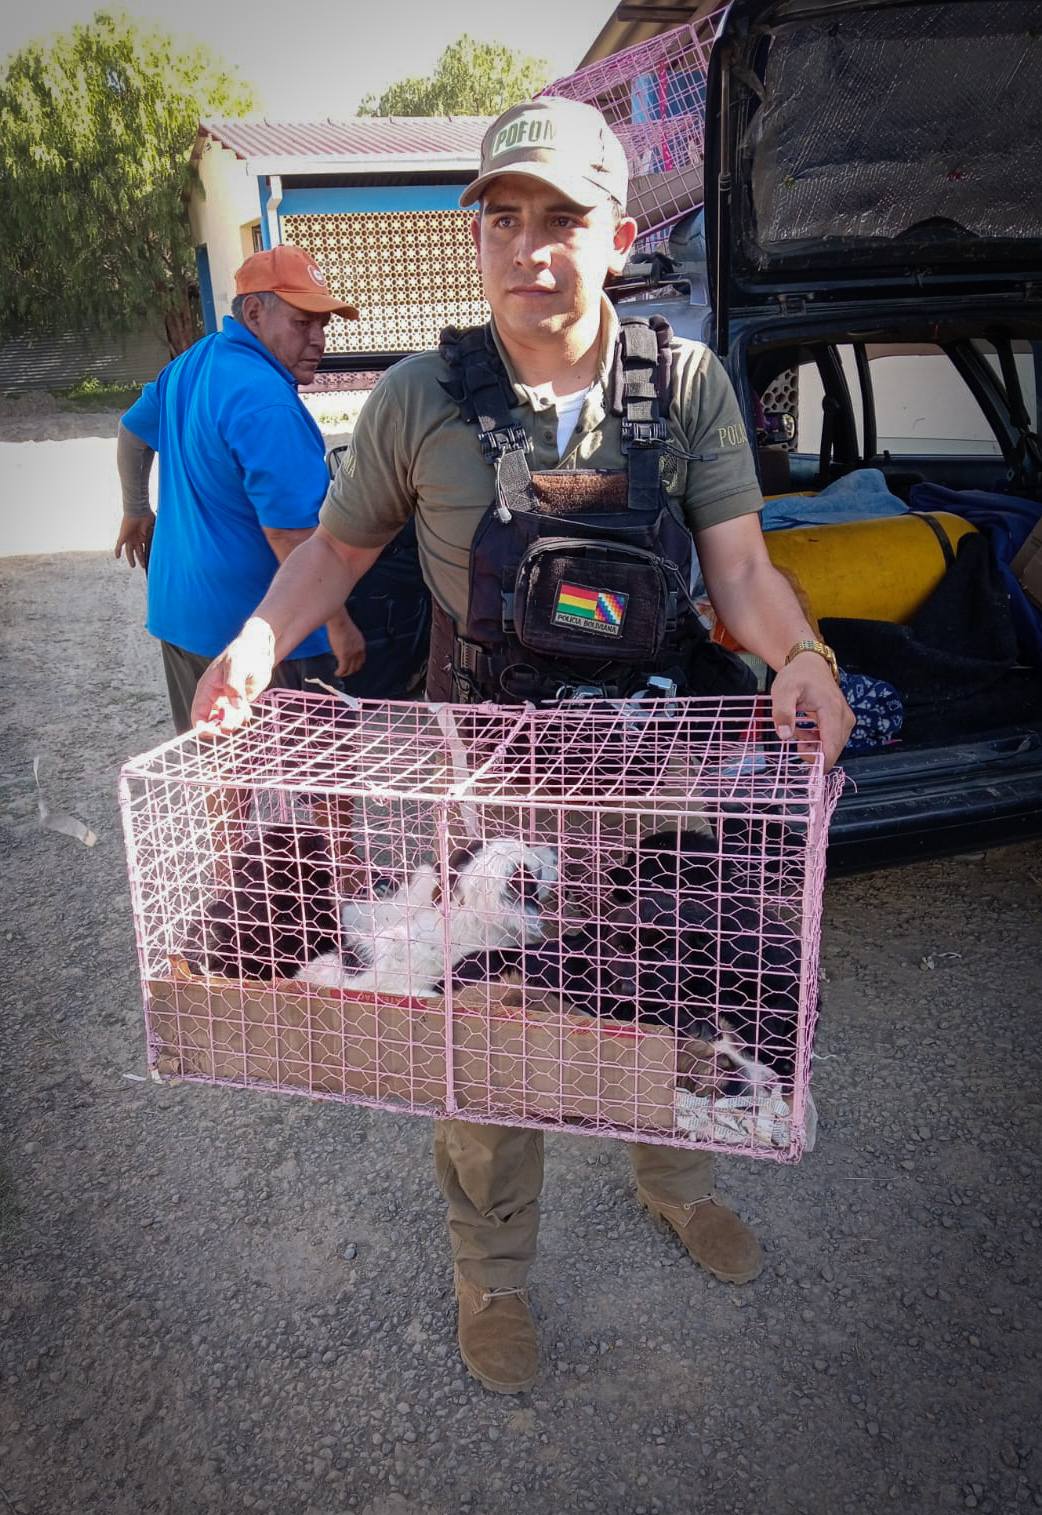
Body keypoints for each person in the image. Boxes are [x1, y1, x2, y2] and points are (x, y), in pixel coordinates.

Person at [190, 99, 854, 1393]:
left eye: (559, 220)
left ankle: (674, 1173)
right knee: (485, 1034)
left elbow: (739, 567)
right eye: (503, 218)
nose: (527, 247)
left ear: (614, 236)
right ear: (478, 236)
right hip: (478, 784)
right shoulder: (418, 395)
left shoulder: (689, 385)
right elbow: (335, 549)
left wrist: (802, 655)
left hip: (651, 771)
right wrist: (261, 645)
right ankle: (489, 1269)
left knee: (667, 981)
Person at [114, 244, 366, 733]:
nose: (318, 339)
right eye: (302, 323)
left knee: (219, 768)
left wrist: (135, 507)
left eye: (323, 325)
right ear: (255, 312)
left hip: (181, 612)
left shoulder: (196, 360)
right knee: (321, 779)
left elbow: (131, 430)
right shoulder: (267, 403)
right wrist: (337, 622)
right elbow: (293, 537)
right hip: (267, 630)